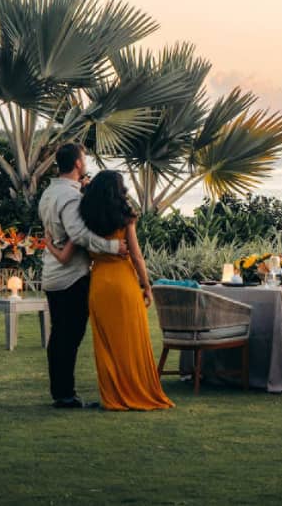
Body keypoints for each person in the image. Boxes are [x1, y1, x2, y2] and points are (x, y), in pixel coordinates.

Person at [74, 170, 173, 411]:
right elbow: (137, 255)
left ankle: (113, 395)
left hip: (100, 282)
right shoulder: (125, 215)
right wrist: (146, 285)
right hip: (123, 280)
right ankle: (137, 389)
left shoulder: (85, 214)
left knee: (107, 343)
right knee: (131, 339)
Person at [39, 142, 127, 410]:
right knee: (69, 336)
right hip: (71, 276)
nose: (85, 162)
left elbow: (60, 233)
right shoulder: (69, 197)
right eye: (84, 158)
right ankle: (65, 395)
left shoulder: (50, 193)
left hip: (53, 272)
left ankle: (62, 392)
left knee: (60, 335)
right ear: (77, 163)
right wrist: (112, 246)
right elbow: (78, 235)